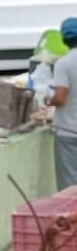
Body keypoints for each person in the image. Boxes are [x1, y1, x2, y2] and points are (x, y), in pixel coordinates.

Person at [45, 17, 77, 190]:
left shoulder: (64, 64)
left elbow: (61, 97)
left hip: (70, 132)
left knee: (70, 187)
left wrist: (48, 99)